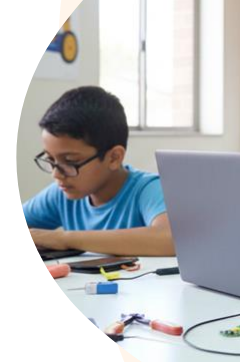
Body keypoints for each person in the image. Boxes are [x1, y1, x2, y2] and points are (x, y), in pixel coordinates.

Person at [23, 86, 175, 257]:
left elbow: (170, 238)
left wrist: (64, 239)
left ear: (114, 158)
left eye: (71, 161)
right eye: (50, 159)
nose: (56, 174)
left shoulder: (148, 190)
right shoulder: (61, 193)